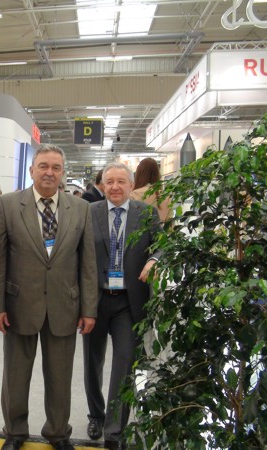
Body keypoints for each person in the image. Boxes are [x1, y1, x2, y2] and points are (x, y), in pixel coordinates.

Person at [0, 144, 98, 450]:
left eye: (56, 167)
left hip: (65, 306)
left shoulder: (81, 209)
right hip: (18, 306)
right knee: (15, 377)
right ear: (32, 170)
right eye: (44, 166)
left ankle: (58, 433)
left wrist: (89, 309)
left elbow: (88, 263)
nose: (49, 172)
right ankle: (15, 433)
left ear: (63, 173)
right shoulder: (8, 205)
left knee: (60, 378)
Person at [83, 162, 162, 449]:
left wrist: (154, 259)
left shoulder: (146, 213)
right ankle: (96, 414)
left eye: (121, 181)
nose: (115, 187)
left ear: (131, 185)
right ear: (102, 185)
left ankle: (114, 430)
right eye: (109, 182)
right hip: (95, 300)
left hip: (129, 302)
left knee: (125, 363)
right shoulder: (89, 212)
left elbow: (163, 244)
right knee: (92, 363)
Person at [129, 157, 171, 222]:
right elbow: (170, 223)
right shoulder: (165, 197)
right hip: (160, 228)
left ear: (138, 174)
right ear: (157, 174)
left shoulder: (133, 195)